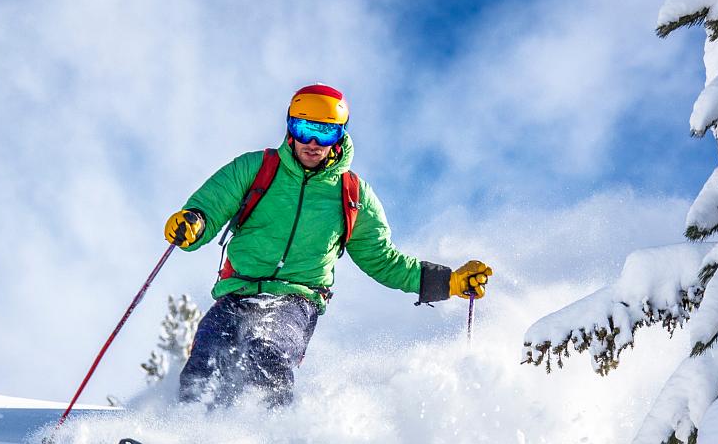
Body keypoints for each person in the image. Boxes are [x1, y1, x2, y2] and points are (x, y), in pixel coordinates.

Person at [163, 84, 490, 407]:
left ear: (340, 135)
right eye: (304, 129)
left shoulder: (352, 195)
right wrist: (193, 222)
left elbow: (383, 260)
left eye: (326, 133)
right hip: (237, 292)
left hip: (295, 300)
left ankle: (266, 440)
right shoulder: (257, 169)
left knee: (266, 353)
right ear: (290, 128)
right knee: (205, 360)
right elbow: (211, 206)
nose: (313, 143)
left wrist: (448, 282)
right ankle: (189, 434)